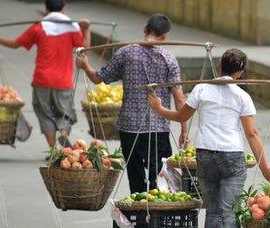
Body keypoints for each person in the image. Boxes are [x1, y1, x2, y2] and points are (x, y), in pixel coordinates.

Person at [147, 49, 270, 228]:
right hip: (233, 157)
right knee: (230, 210)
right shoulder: (242, 96)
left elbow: (182, 116)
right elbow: (252, 134)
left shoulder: (202, 89)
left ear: (219, 65)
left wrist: (159, 109)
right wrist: (265, 167)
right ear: (240, 72)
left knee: (214, 211)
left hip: (206, 156)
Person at [75, 14, 188, 193]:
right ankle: (156, 215)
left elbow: (98, 78)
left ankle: (139, 217)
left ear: (145, 30)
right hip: (157, 128)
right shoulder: (169, 59)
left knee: (135, 176)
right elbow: (180, 98)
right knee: (160, 177)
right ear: (165, 37)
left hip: (129, 127)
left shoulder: (125, 53)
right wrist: (184, 130)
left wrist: (85, 65)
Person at [0, 0, 91, 150]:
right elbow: (85, 49)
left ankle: (54, 150)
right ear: (64, 9)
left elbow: (15, 44)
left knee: (45, 115)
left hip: (42, 79)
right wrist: (86, 29)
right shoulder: (72, 28)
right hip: (63, 81)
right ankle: (64, 134)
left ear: (46, 9)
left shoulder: (38, 28)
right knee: (65, 114)